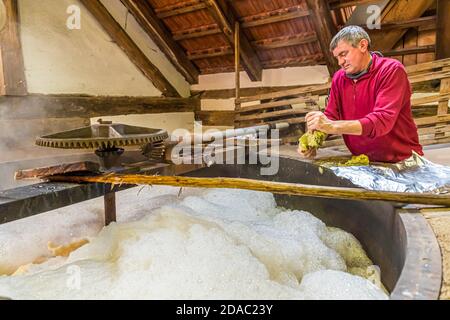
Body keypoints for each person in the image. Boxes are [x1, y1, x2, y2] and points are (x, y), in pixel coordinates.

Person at [300, 26, 423, 163]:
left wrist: (331, 126)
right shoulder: (339, 78)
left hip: (402, 160)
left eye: (343, 54)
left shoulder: (391, 70)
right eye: (337, 57)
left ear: (363, 45)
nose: (340, 62)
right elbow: (331, 116)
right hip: (364, 161)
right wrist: (313, 139)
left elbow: (382, 121)